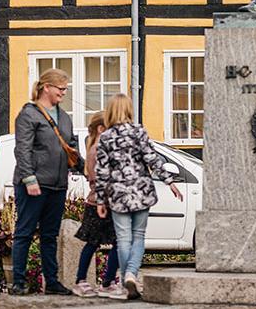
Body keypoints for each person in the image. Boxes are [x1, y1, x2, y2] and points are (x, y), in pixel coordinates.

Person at [93, 93, 182, 300]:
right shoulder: (139, 132)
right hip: (141, 191)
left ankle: (126, 280)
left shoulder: (106, 137)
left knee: (123, 238)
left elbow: (102, 171)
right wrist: (169, 181)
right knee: (139, 236)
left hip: (118, 195)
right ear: (129, 110)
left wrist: (99, 200)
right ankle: (132, 274)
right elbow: (152, 159)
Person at [10, 68, 81, 296]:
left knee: (50, 236)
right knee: (25, 233)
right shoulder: (28, 115)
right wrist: (29, 179)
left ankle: (52, 281)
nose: (63, 92)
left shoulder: (65, 117)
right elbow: (22, 150)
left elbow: (71, 146)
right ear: (46, 87)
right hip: (34, 184)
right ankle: (19, 282)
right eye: (61, 88)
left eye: (65, 89)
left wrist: (86, 169)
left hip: (58, 184)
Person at [71, 112, 121, 297]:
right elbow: (99, 178)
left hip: (108, 202)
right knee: (93, 243)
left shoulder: (102, 148)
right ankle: (81, 281)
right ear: (102, 129)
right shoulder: (98, 149)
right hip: (98, 204)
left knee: (116, 242)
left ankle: (107, 281)